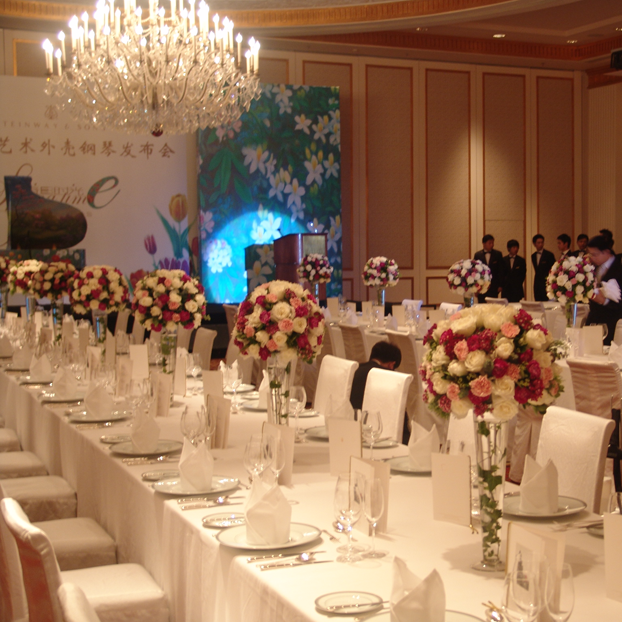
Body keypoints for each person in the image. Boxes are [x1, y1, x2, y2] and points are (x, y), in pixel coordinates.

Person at [349, 341, 409, 443]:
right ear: (391, 365)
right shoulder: (389, 379)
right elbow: (401, 420)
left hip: (349, 429)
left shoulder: (354, 369)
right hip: (379, 438)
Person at [586, 232, 622, 346]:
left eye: (595, 254)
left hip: (612, 323)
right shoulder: (591, 267)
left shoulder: (619, 268)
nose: (592, 258)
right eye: (590, 254)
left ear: (606, 252)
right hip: (593, 320)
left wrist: (604, 301)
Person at [474, 234, 505, 303]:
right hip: (481, 285)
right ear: (484, 244)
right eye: (489, 243)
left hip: (494, 286)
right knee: (481, 304)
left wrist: (500, 285)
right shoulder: (478, 255)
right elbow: (475, 271)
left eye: (492, 243)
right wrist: (476, 287)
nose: (492, 245)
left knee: (493, 305)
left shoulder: (498, 254)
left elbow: (501, 270)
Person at [531, 234, 556, 301]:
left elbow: (553, 269)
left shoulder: (549, 255)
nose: (541, 244)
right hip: (537, 283)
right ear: (534, 244)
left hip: (546, 283)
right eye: (538, 243)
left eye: (542, 242)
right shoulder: (533, 256)